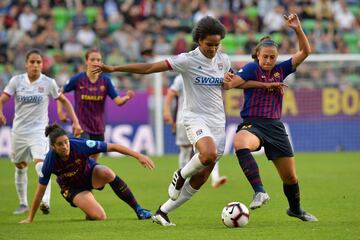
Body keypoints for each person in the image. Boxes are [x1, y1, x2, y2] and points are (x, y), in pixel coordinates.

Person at [92, 16, 284, 226]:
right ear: (199, 41)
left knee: (201, 177)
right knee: (207, 153)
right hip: (195, 118)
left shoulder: (223, 60)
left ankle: (162, 212)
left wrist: (263, 86)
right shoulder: (186, 60)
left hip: (218, 122)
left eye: (217, 44)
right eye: (209, 44)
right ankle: (180, 174)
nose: (213, 49)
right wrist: (114, 69)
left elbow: (232, 84)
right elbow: (149, 68)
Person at [223, 14, 318, 222]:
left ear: (276, 58)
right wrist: (259, 85)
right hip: (253, 124)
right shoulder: (251, 69)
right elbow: (230, 85)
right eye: (264, 56)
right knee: (240, 142)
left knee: (290, 177)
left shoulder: (280, 70)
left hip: (275, 127)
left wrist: (297, 29)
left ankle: (296, 209)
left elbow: (305, 52)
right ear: (257, 55)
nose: (268, 60)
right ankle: (259, 191)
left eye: (272, 57)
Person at [0, 49, 82, 215]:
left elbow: (64, 101)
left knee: (41, 165)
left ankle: (45, 201)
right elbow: (2, 99)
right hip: (19, 132)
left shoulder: (48, 82)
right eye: (32, 62)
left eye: (39, 62)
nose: (36, 65)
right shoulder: (16, 81)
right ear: (26, 64)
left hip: (39, 131)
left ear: (42, 64)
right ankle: (23, 203)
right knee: (20, 165)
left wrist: (76, 121)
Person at [19, 123, 155, 224]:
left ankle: (139, 210)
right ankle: (89, 208)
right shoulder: (49, 161)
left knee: (107, 172)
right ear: (53, 147)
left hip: (89, 174)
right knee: (100, 217)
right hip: (72, 188)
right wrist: (30, 218)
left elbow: (113, 146)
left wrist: (138, 156)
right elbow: (40, 191)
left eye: (66, 142)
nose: (65, 146)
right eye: (60, 144)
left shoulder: (79, 145)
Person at [57, 48, 134, 160]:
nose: (96, 62)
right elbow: (59, 93)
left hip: (99, 127)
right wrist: (60, 111)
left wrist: (127, 97)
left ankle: (89, 177)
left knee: (94, 161)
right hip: (81, 126)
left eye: (98, 60)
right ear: (86, 61)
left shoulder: (105, 81)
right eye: (92, 59)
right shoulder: (78, 79)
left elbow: (118, 101)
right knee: (83, 158)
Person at [163, 74, 227, 188]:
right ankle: (182, 179)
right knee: (185, 149)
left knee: (212, 149)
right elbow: (171, 93)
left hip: (203, 120)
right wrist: (166, 111)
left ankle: (215, 178)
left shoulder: (206, 76)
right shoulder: (181, 78)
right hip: (184, 119)